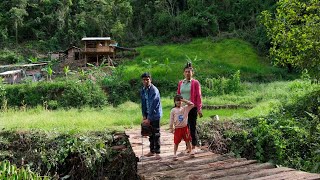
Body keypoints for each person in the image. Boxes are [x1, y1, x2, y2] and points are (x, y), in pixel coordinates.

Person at [177, 62, 203, 153]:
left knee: (192, 127)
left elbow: (198, 96)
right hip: (183, 109)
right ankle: (187, 146)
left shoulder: (195, 83)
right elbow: (178, 96)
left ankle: (194, 145)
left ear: (192, 73)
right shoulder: (181, 83)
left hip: (192, 108)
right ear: (184, 73)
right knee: (184, 127)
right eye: (186, 72)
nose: (188, 73)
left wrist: (199, 109)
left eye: (189, 71)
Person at [140, 72, 162, 160]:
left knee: (156, 133)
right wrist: (144, 115)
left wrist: (149, 118)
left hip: (155, 115)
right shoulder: (143, 90)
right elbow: (143, 103)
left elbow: (153, 105)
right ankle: (152, 150)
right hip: (148, 114)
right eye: (144, 80)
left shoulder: (154, 90)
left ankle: (157, 152)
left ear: (150, 80)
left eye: (147, 79)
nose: (145, 81)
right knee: (150, 133)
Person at [169, 95, 194, 161]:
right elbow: (171, 119)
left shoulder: (185, 108)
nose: (178, 102)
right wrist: (171, 127)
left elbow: (192, 104)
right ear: (174, 102)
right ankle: (174, 154)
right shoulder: (173, 110)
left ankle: (190, 151)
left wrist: (184, 100)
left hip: (185, 128)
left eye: (180, 101)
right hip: (177, 128)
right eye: (177, 101)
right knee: (176, 142)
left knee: (188, 140)